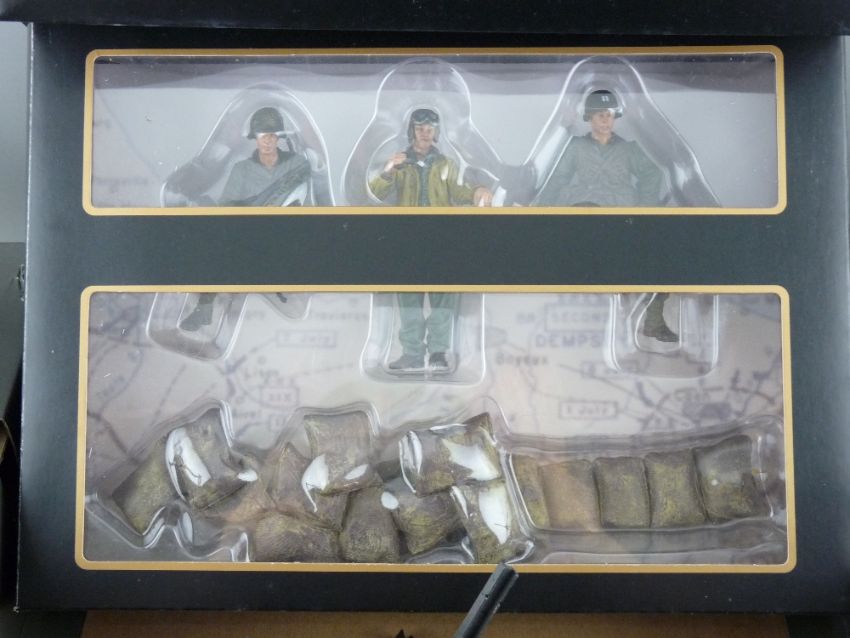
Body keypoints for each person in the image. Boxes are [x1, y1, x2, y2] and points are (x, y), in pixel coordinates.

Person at [536, 90, 675, 343]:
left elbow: (652, 174)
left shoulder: (628, 149)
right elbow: (557, 178)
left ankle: (653, 322)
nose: (605, 120)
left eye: (609, 115)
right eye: (599, 115)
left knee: (654, 256)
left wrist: (645, 209)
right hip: (584, 213)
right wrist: (541, 211)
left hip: (620, 215)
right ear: (589, 117)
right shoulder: (576, 146)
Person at [369, 108, 493, 369]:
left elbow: (460, 192)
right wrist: (389, 170)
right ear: (412, 131)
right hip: (408, 238)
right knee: (408, 299)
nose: (425, 133)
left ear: (436, 132)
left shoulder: (445, 164)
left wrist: (478, 192)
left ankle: (438, 352)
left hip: (440, 238)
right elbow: (376, 193)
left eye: (429, 129)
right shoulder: (401, 164)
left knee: (444, 297)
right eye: (420, 128)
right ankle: (412, 353)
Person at [180, 107, 310, 332]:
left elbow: (304, 197)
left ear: (278, 137)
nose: (267, 141)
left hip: (283, 230)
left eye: (271, 135)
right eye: (262, 135)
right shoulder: (242, 169)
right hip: (248, 230)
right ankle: (205, 308)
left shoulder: (296, 164)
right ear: (255, 138)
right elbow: (227, 206)